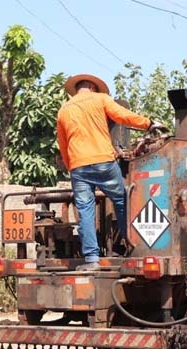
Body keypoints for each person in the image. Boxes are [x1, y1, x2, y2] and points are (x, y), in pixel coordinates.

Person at [56, 73, 167, 271]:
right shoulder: (100, 99)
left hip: (78, 166)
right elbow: (123, 116)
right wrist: (148, 123)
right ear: (92, 86)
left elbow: (63, 144)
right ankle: (131, 245)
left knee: (85, 210)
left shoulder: (64, 110)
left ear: (78, 88)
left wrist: (71, 165)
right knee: (122, 200)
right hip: (103, 162)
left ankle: (91, 260)